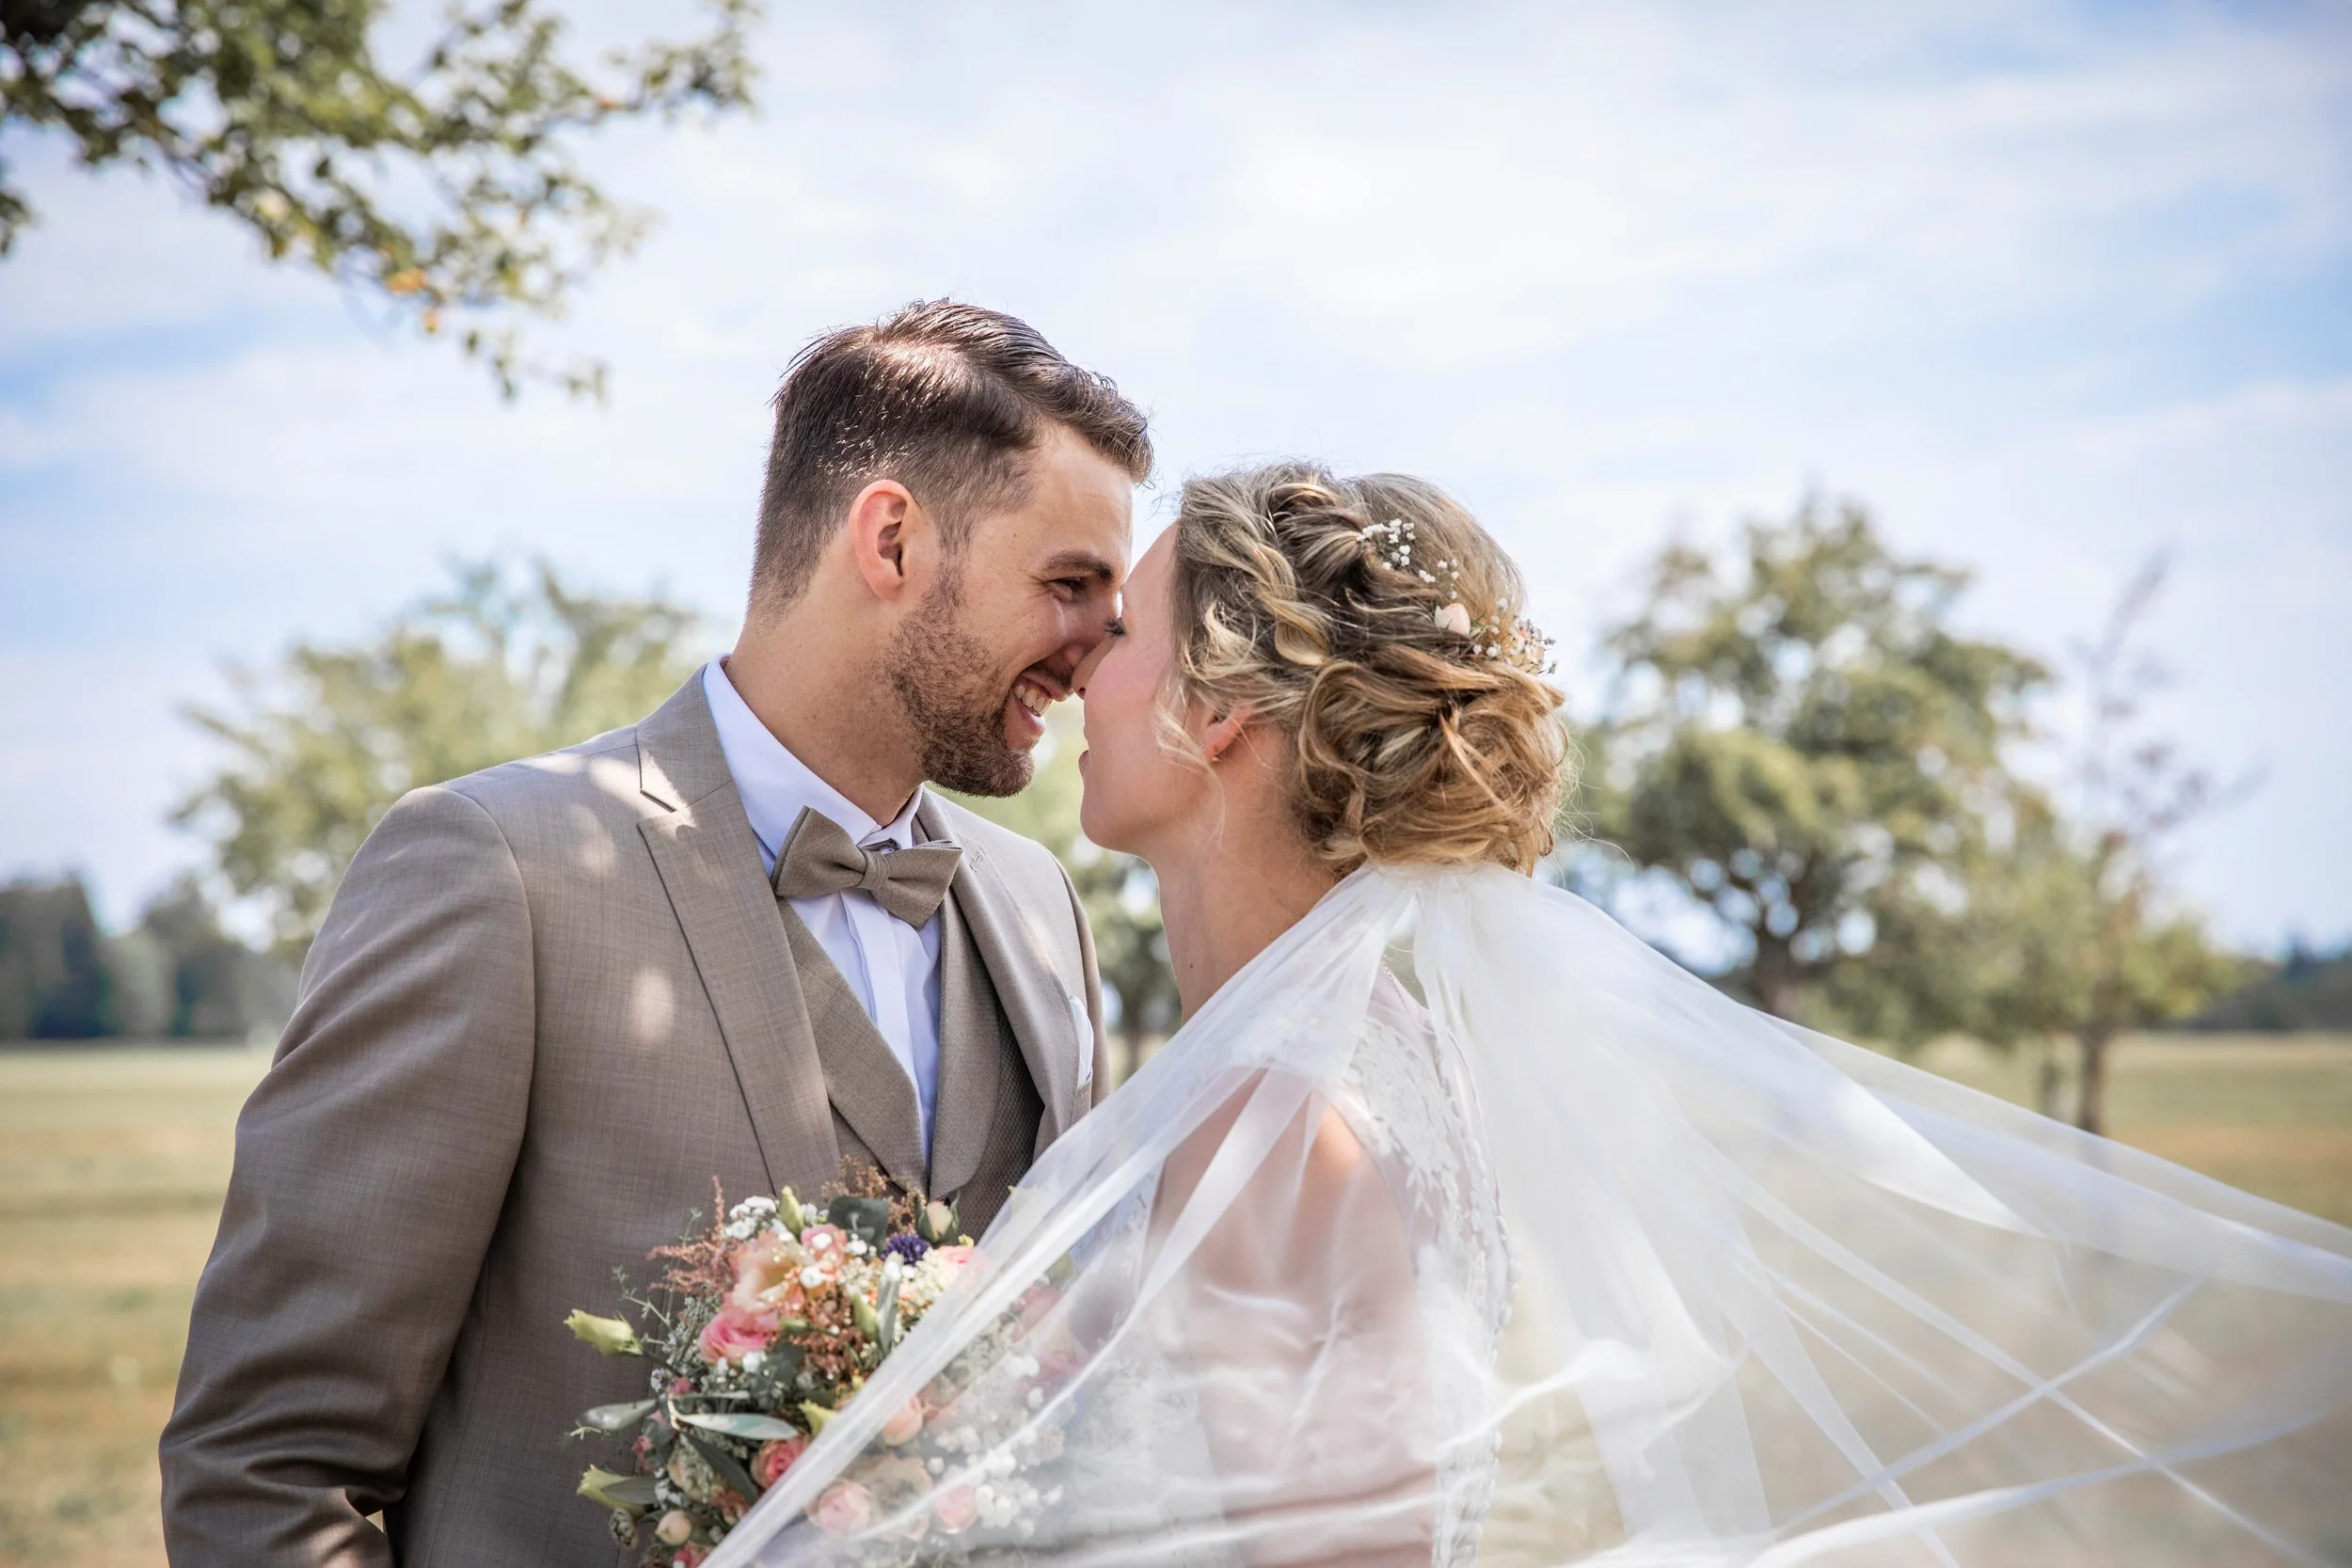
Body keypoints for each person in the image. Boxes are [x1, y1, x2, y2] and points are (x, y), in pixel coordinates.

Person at [706, 463, 2352, 1567]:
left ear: (1218, 714)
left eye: (1122, 630)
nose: (1081, 668)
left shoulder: (1280, 1121)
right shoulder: (1335, 1066)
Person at [160, 301, 1152, 1567]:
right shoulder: (501, 871)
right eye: (1070, 584)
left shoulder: (1037, 907)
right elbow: (268, 1465)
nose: (1100, 648)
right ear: (892, 539)